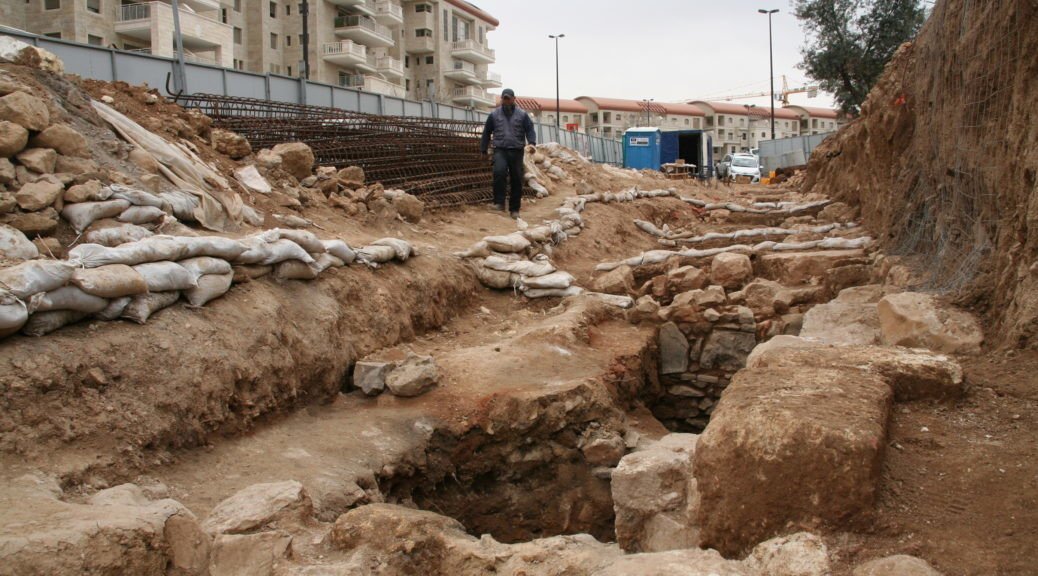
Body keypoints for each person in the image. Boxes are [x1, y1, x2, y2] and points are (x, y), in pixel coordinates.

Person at [480, 88, 536, 219]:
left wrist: (532, 142)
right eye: (504, 99)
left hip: (516, 151)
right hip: (500, 150)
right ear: (501, 99)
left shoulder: (522, 115)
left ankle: (514, 209)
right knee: (499, 172)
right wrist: (483, 149)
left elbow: (529, 129)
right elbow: (486, 132)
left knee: (516, 178)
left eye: (508, 99)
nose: (506, 101)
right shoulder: (494, 115)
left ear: (513, 99)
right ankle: (499, 203)